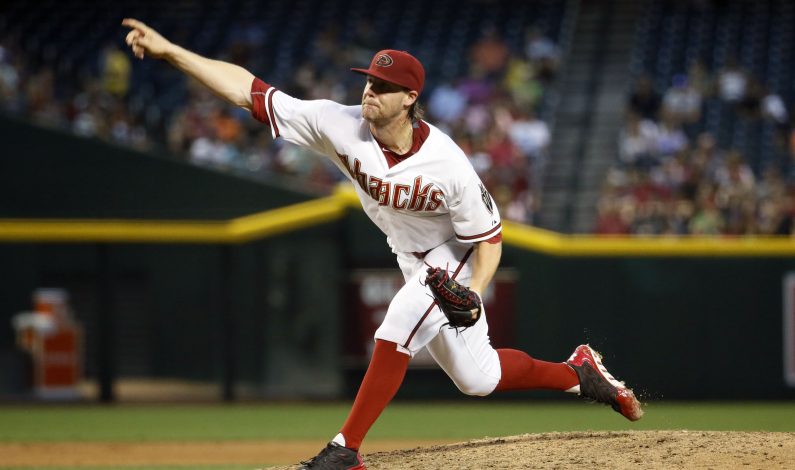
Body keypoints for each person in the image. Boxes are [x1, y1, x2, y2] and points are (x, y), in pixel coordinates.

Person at [122, 18, 643, 470]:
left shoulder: (448, 164)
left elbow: (489, 240)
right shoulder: (339, 124)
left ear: (410, 98)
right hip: (409, 256)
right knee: (477, 378)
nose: (370, 91)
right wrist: (171, 52)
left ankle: (345, 449)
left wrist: (475, 291)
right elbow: (247, 90)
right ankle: (579, 372)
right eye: (369, 80)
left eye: (383, 85)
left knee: (394, 327)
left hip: (452, 255)